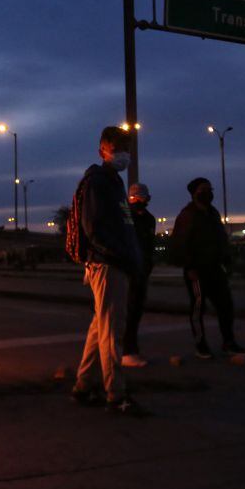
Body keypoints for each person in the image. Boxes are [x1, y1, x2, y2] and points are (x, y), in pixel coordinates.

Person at [69, 126, 146, 415]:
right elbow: (94, 229)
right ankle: (116, 395)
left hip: (115, 263)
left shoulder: (112, 182)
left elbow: (122, 227)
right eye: (118, 150)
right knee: (112, 330)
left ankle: (83, 386)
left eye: (127, 150)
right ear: (103, 150)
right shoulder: (98, 182)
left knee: (100, 327)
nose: (124, 156)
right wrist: (122, 257)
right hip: (108, 265)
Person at [170, 178, 245, 359]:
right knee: (198, 307)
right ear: (195, 193)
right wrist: (189, 266)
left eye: (209, 189)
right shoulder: (187, 215)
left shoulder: (212, 213)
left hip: (215, 269)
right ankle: (200, 345)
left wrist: (227, 260)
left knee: (226, 306)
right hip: (196, 271)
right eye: (204, 189)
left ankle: (229, 342)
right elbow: (180, 243)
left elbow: (221, 239)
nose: (208, 192)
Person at [122, 182, 156, 367]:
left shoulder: (149, 219)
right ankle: (127, 351)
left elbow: (149, 246)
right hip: (128, 270)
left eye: (141, 198)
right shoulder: (124, 216)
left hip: (142, 271)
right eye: (135, 198)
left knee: (135, 310)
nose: (138, 201)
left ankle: (129, 349)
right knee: (128, 310)